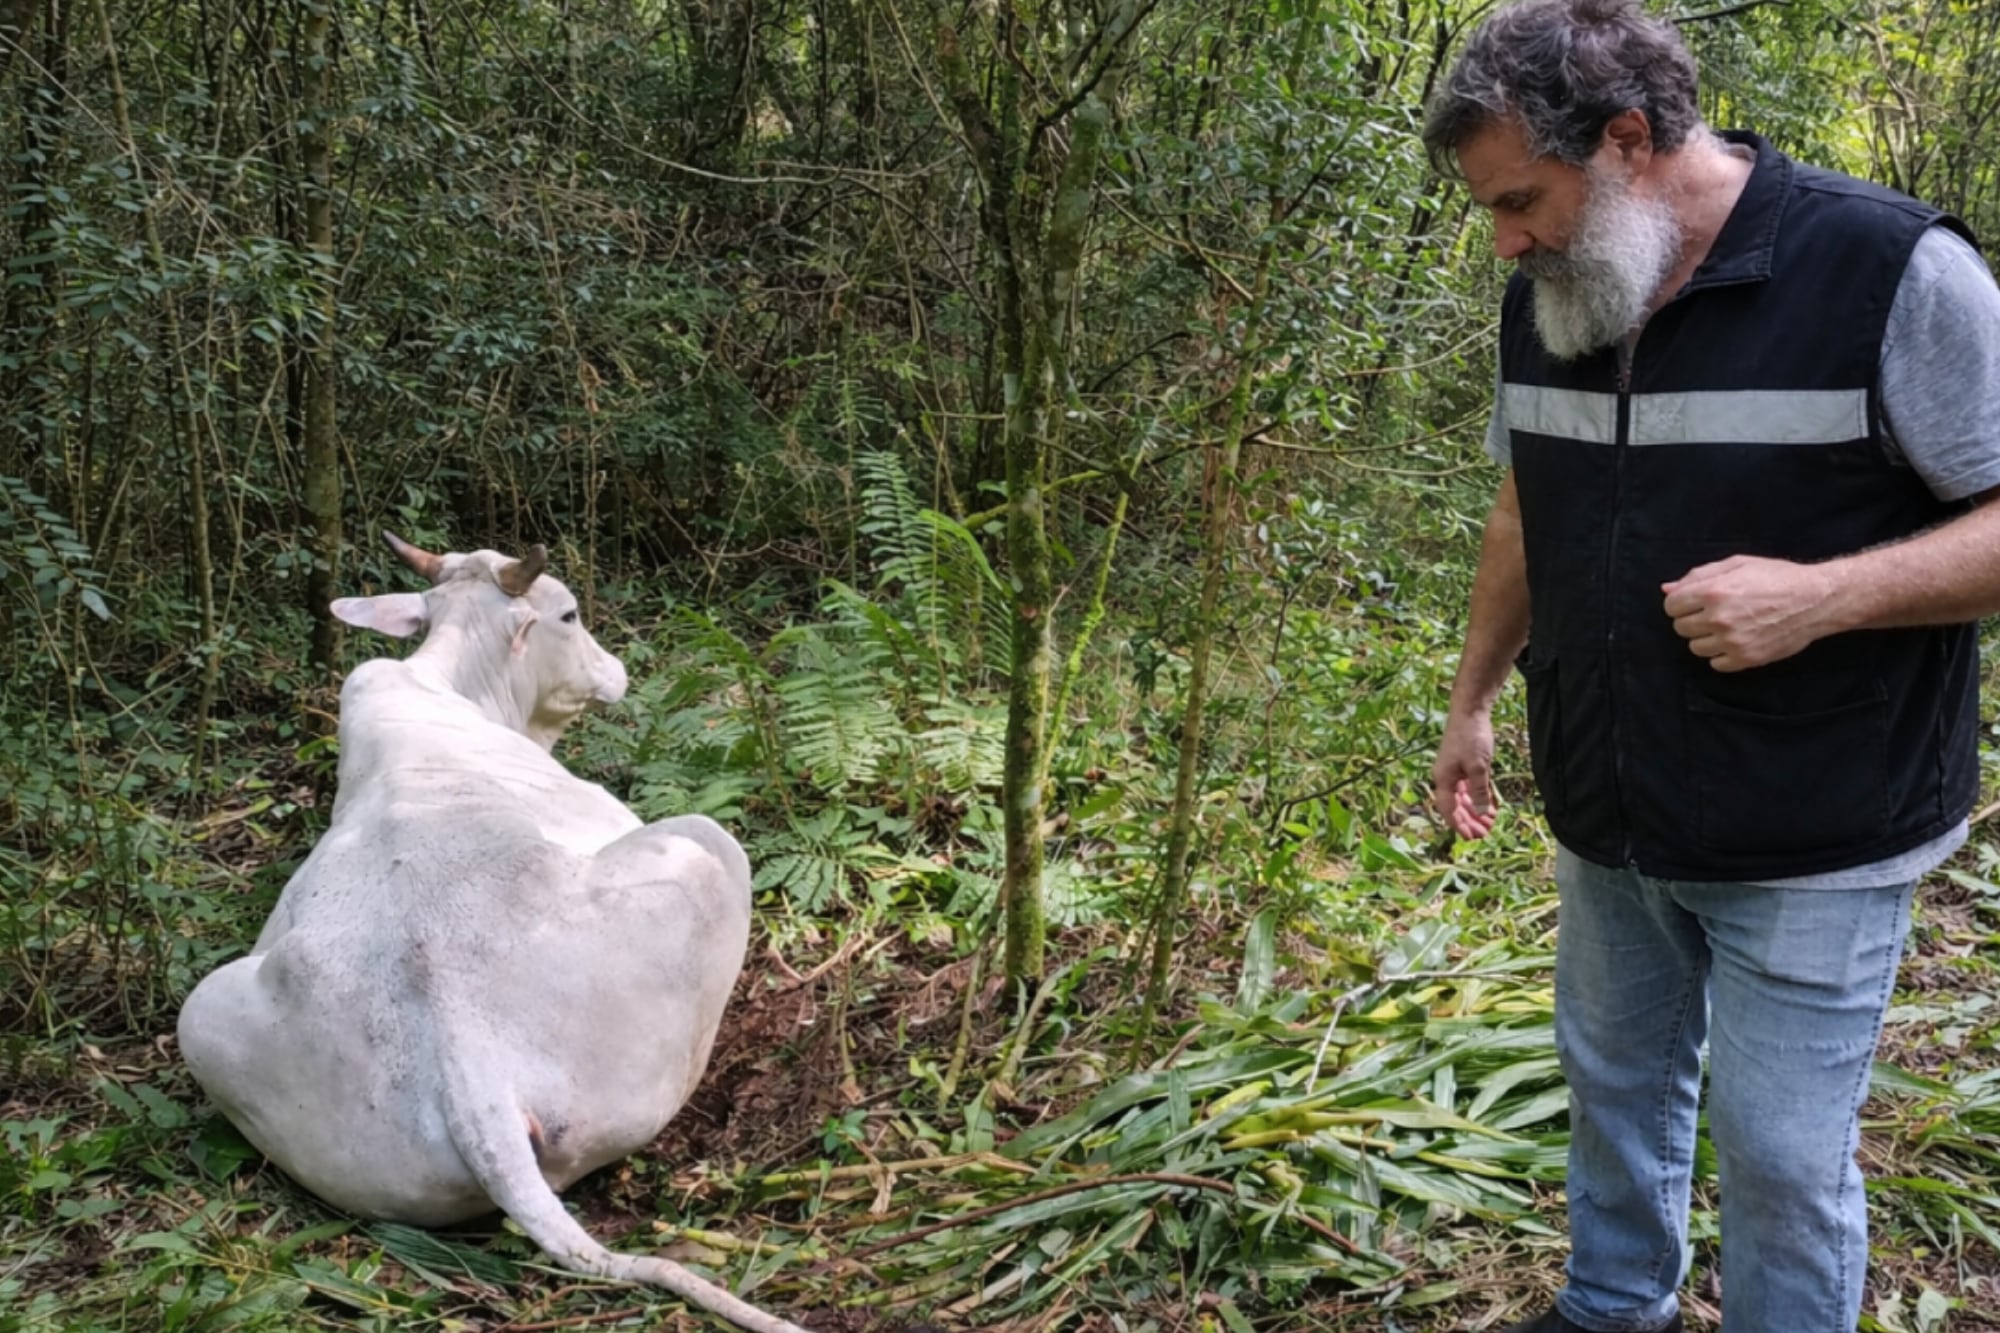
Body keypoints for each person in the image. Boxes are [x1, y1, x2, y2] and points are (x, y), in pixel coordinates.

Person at [1421, 2, 2000, 1331]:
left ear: (1627, 141)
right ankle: (1615, 1301)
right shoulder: (1557, 295)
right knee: (1616, 1090)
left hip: (1820, 821)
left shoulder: (1887, 272)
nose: (1506, 241)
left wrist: (1829, 595)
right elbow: (1528, 506)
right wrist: (1470, 701)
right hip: (1611, 810)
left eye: (1521, 199)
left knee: (1784, 1157)